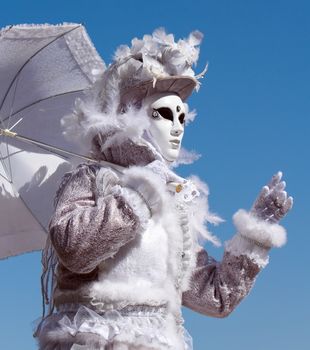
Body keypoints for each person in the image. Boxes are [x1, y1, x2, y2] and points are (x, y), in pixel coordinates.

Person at [36, 29, 293, 350]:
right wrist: (143, 192)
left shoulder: (175, 203)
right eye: (165, 114)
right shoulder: (92, 177)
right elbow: (74, 249)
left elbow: (214, 297)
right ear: (130, 114)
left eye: (183, 118)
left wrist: (256, 235)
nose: (177, 127)